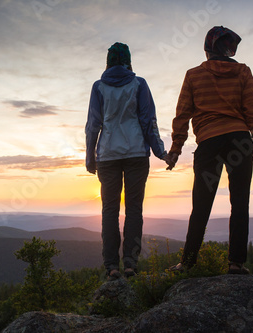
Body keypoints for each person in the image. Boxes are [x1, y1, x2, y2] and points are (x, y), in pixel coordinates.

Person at [166, 26, 253, 274]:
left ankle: (187, 263)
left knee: (201, 204)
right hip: (239, 141)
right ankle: (236, 263)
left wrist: (175, 149)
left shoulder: (193, 75)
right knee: (240, 203)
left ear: (207, 49)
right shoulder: (242, 72)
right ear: (228, 49)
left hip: (209, 143)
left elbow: (182, 114)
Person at [85, 42, 168, 280]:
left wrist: (90, 156)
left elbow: (93, 125)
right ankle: (130, 264)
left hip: (108, 155)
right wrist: (161, 152)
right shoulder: (139, 84)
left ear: (108, 62)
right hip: (136, 154)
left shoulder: (99, 87)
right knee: (134, 210)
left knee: (109, 211)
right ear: (128, 61)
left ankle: (111, 266)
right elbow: (148, 121)